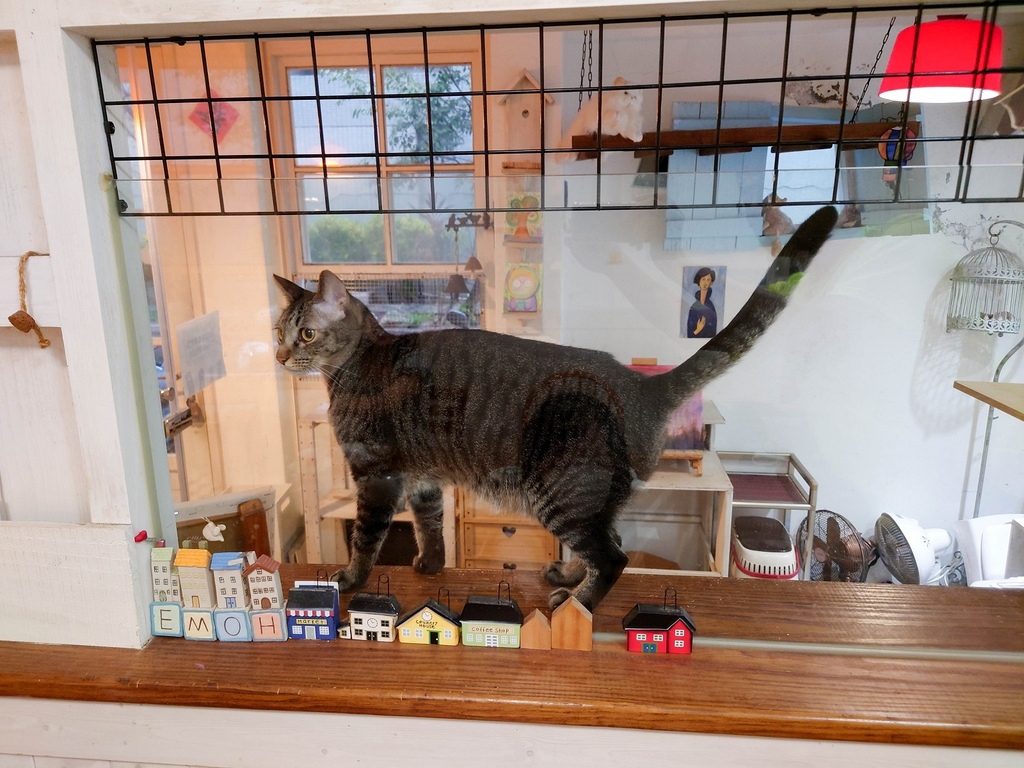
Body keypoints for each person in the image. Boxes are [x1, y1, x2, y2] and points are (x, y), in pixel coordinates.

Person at [686, 267, 717, 338]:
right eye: (703, 279)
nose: (705, 282)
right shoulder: (694, 307)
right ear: (699, 281)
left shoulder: (711, 307)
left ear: (711, 283)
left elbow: (713, 333)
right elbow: (689, 334)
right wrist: (698, 330)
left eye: (708, 280)